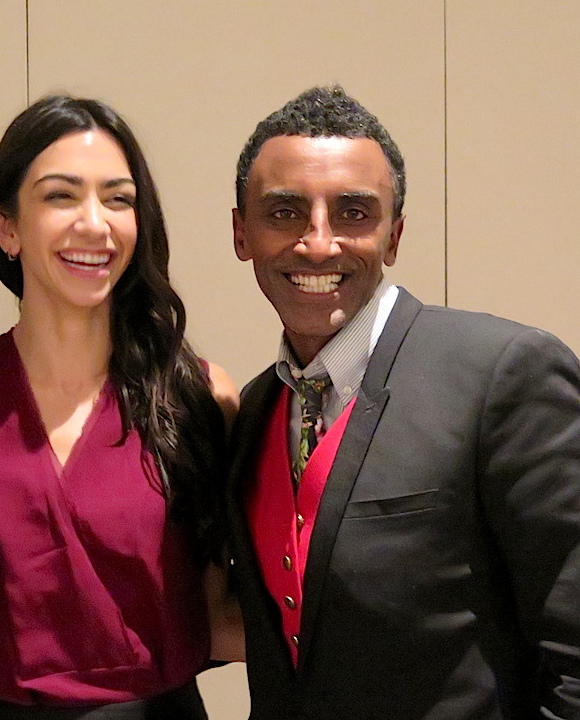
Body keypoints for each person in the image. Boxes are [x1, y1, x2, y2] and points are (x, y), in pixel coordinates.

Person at [224, 84, 580, 718]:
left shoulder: (503, 375)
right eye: (283, 212)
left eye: (354, 213)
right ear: (241, 233)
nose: (318, 243)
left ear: (393, 237)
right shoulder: (254, 410)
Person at [0, 95, 238, 719]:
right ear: (6, 227)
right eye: (61, 196)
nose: (94, 223)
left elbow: (225, 613)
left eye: (118, 199)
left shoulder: (200, 397)